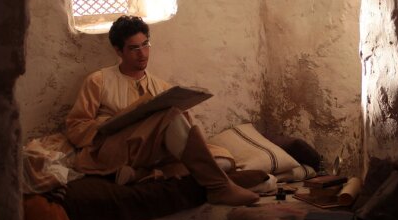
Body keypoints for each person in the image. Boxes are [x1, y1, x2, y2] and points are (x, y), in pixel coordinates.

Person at [65, 15, 259, 206]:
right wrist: (112, 123)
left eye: (145, 45)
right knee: (179, 130)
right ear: (118, 50)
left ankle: (143, 174)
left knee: (223, 159)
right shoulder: (98, 80)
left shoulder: (161, 87)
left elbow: (181, 133)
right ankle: (218, 187)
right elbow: (75, 127)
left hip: (152, 152)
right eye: (134, 48)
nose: (142, 54)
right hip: (117, 149)